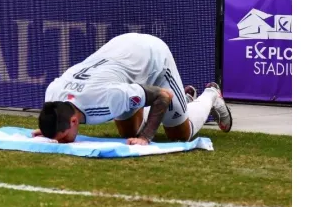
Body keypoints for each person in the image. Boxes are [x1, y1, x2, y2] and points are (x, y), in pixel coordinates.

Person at [34, 33, 232, 145]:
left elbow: (162, 96)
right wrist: (49, 130)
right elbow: (55, 116)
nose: (61, 143)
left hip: (152, 54)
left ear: (74, 120)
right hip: (121, 52)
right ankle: (184, 100)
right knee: (128, 132)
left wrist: (146, 138)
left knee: (179, 135)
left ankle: (211, 95)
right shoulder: (53, 95)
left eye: (61, 138)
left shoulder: (110, 98)